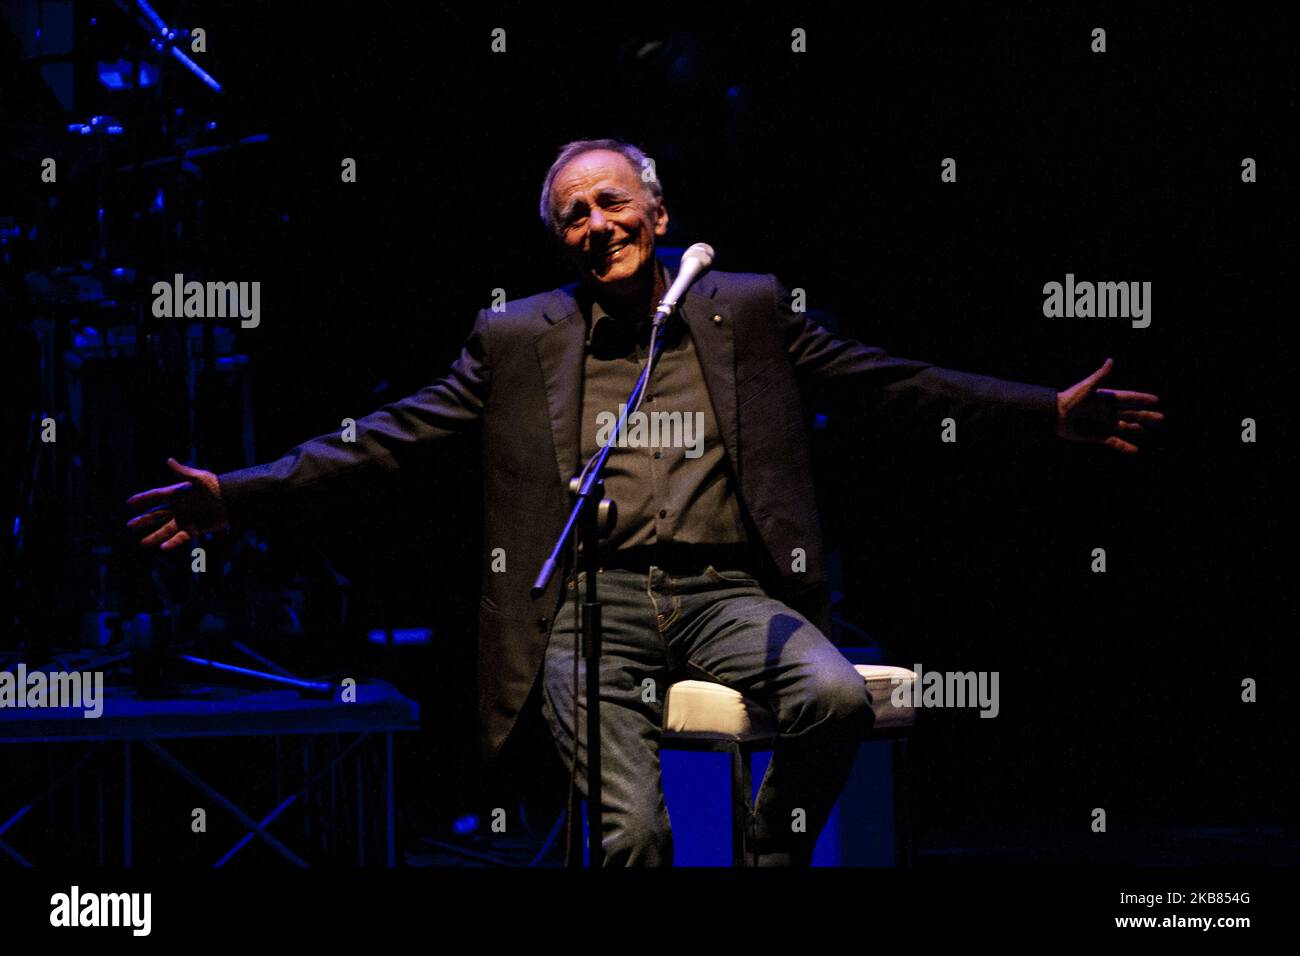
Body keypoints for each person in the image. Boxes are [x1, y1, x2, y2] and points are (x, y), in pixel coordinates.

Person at [127, 138, 1163, 865]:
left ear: (657, 215)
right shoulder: (518, 336)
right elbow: (390, 432)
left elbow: (888, 379)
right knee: (633, 839)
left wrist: (1041, 411)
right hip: (589, 607)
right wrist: (242, 493)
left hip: (724, 593)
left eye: (611, 201)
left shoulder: (743, 308)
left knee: (837, 698)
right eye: (572, 213)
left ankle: (767, 852)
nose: (594, 222)